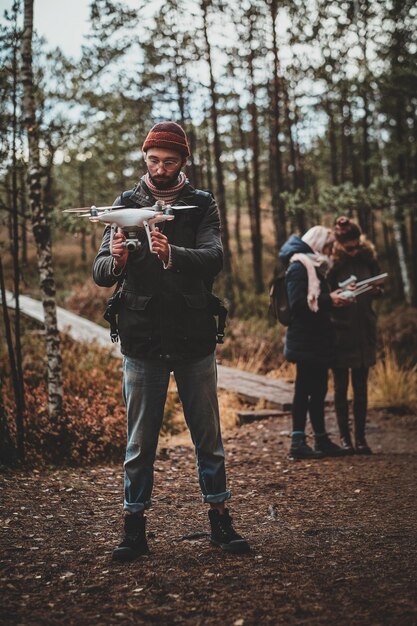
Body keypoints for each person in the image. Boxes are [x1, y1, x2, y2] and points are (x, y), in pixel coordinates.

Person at [93, 121, 249, 561]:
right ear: (145, 159)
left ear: (184, 161)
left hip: (194, 337)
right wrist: (117, 260)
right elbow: (101, 272)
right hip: (141, 340)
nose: (159, 168)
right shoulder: (126, 204)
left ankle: (220, 520)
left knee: (208, 437)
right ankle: (133, 528)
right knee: (140, 441)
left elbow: (214, 257)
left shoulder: (201, 204)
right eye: (152, 160)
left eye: (168, 161)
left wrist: (172, 254)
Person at [279, 226, 351, 460]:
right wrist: (329, 299)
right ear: (318, 244)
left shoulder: (314, 266)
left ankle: (320, 439)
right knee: (303, 390)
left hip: (317, 339)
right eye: (328, 247)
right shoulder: (299, 266)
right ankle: (297, 442)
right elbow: (299, 304)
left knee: (319, 390)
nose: (330, 251)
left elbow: (315, 301)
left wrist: (334, 297)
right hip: (305, 339)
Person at [328, 216, 382, 455]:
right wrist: (337, 295)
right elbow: (322, 296)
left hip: (364, 330)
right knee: (340, 389)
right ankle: (345, 439)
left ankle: (360, 439)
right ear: (339, 244)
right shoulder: (331, 264)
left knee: (361, 388)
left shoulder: (368, 258)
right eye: (348, 246)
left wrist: (377, 289)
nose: (353, 249)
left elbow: (378, 285)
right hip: (340, 332)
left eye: (355, 245)